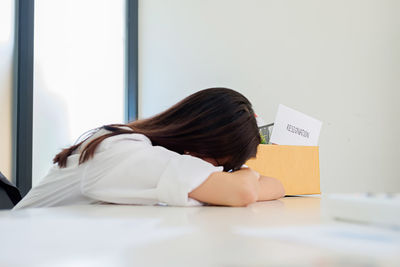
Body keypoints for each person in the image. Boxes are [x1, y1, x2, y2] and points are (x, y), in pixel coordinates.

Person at [14, 88, 284, 209]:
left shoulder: (137, 145)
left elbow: (278, 185)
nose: (215, 171)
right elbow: (243, 191)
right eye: (217, 162)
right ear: (198, 141)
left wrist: (242, 174)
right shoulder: (125, 151)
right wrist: (246, 175)